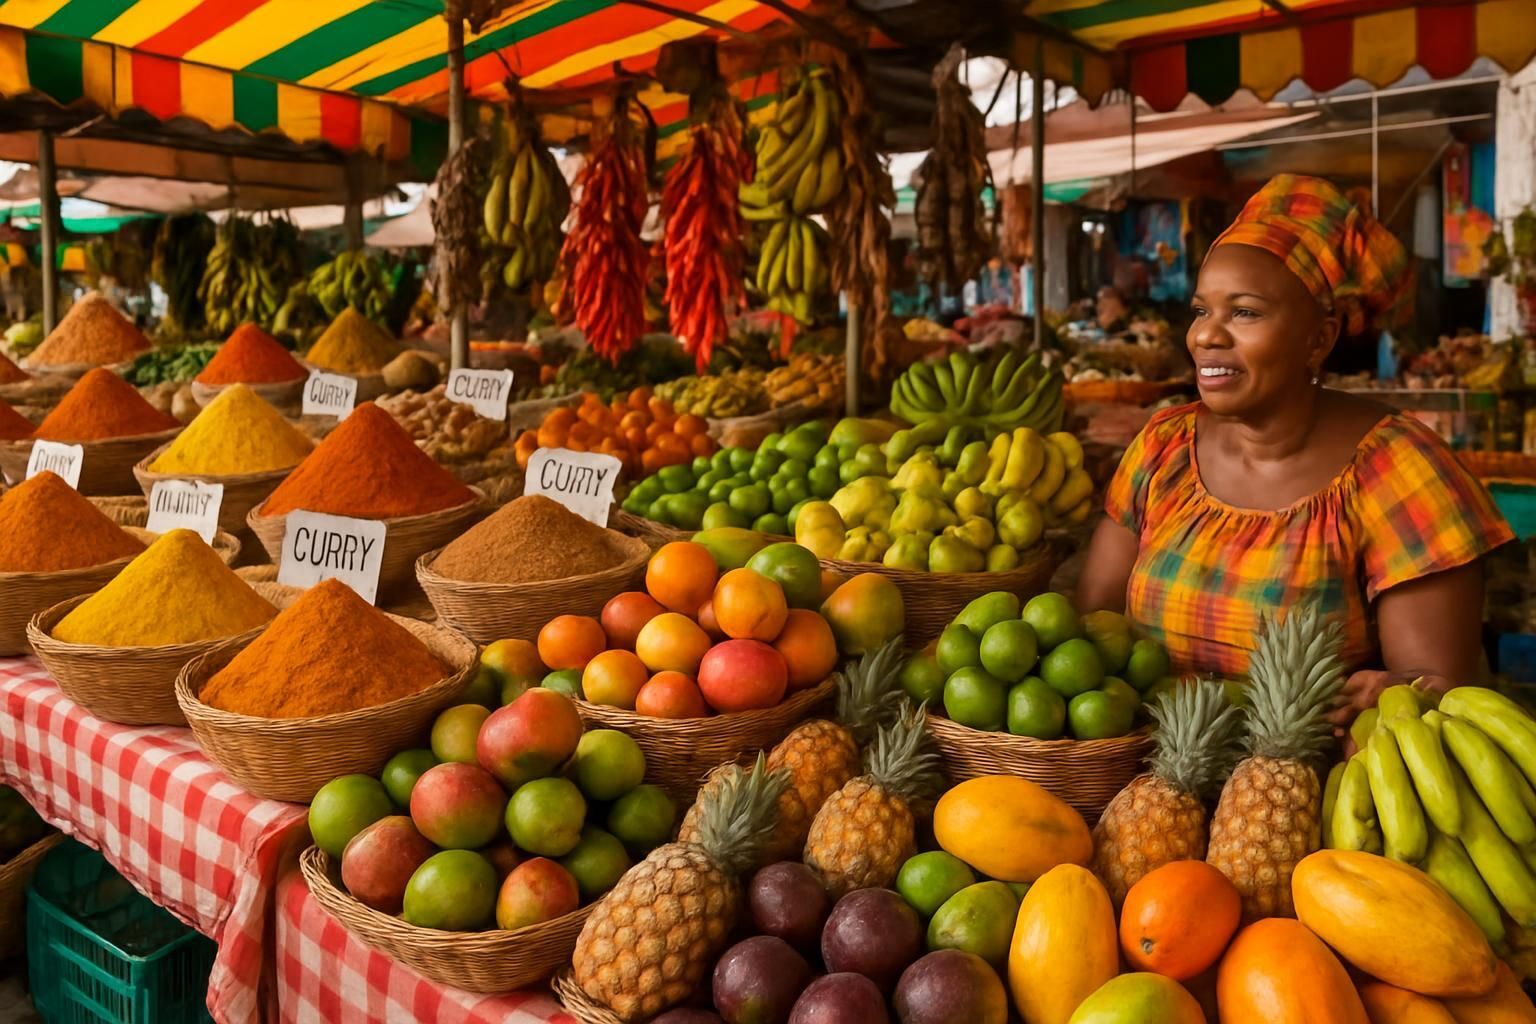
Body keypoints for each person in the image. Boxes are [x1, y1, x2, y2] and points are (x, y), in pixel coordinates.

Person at [1077, 175, 1512, 735]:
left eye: (1245, 313)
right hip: (1139, 789)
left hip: (1318, 801)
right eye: (1201, 310)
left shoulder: (1400, 471)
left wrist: (1399, 692)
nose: (1207, 335)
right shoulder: (1163, 449)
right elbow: (1091, 629)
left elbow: (1437, 694)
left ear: (1319, 338)